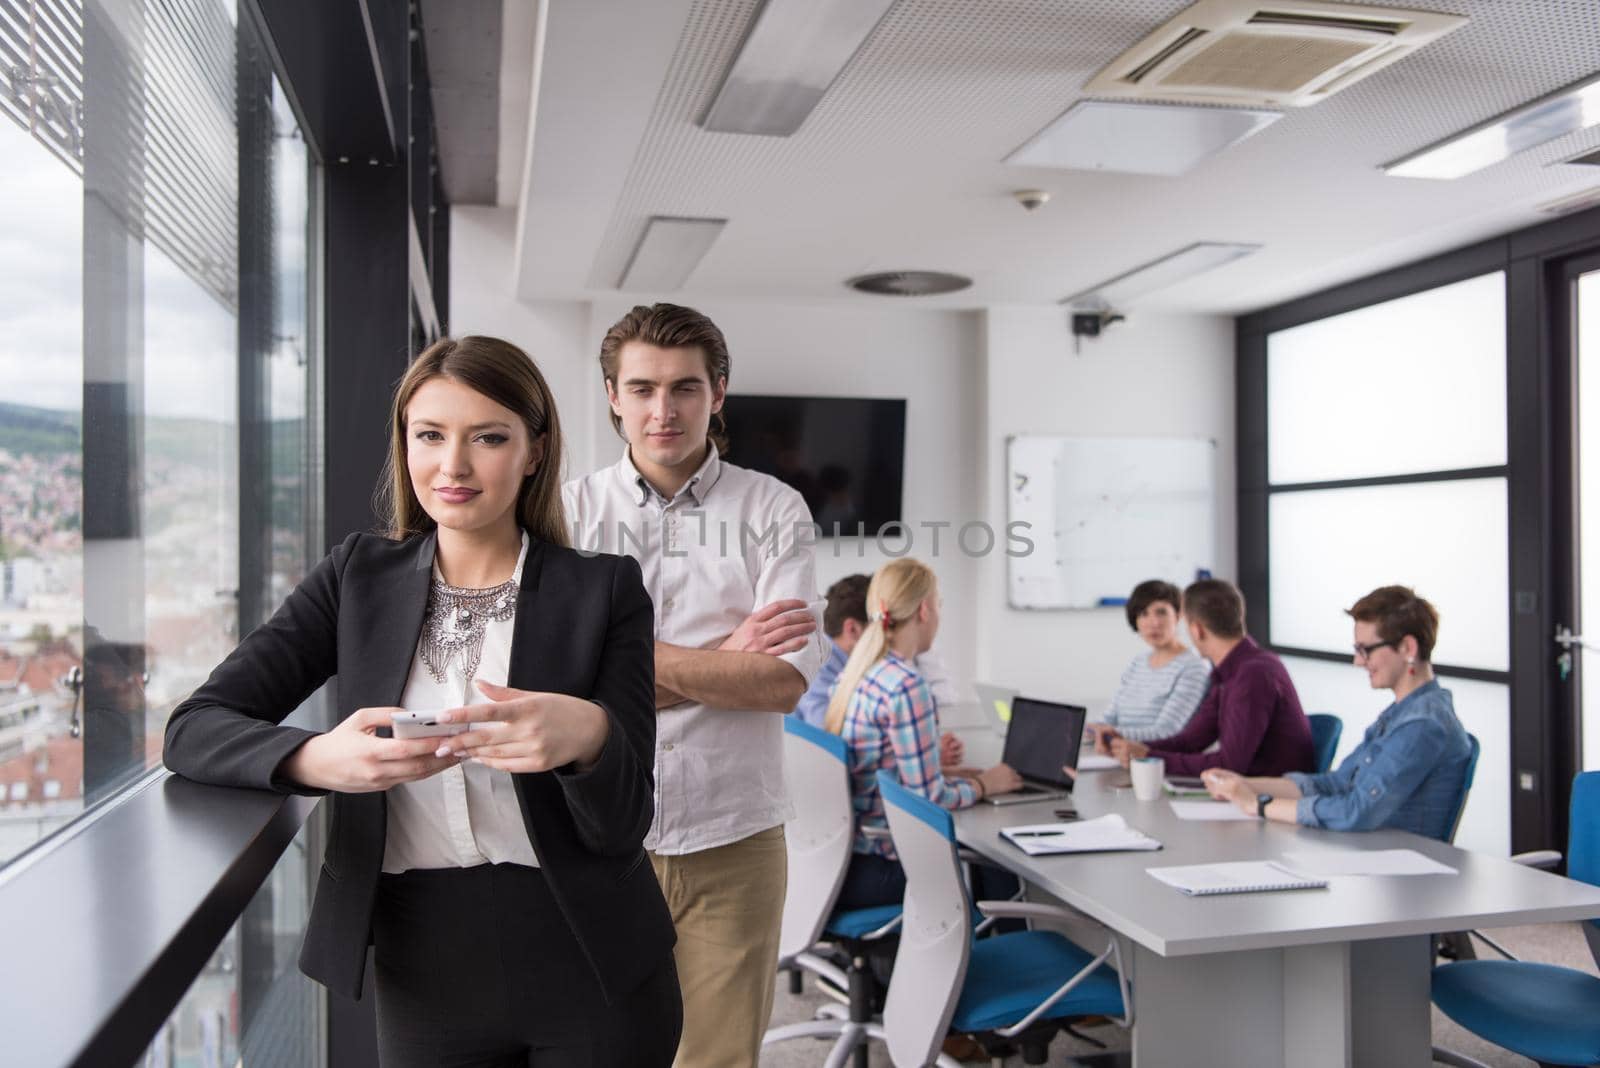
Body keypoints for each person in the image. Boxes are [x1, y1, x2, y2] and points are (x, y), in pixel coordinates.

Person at [163, 336, 681, 1066]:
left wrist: (589, 736)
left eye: (489, 438)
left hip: (592, 952)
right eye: (430, 435)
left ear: (535, 451)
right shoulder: (355, 578)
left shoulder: (604, 589)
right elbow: (192, 728)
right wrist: (318, 758)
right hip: (421, 961)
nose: (453, 466)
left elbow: (628, 817)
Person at [564, 303, 824, 1068]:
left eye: (683, 387)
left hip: (732, 840)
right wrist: (723, 656)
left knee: (717, 1060)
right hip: (593, 837)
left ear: (718, 392)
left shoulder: (774, 509)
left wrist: (622, 668)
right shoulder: (570, 514)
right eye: (641, 388)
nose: (662, 409)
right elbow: (552, 685)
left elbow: (780, 682)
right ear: (613, 395)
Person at [825, 558, 1022, 910]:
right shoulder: (906, 685)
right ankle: (994, 958)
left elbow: (881, 769)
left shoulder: (860, 673)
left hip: (841, 864)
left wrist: (944, 771)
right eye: (940, 605)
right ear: (926, 610)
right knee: (998, 862)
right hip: (883, 865)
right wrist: (984, 785)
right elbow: (929, 801)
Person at [1201, 586, 1473, 837]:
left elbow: (1356, 811)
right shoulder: (1400, 715)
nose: (1358, 662)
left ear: (1407, 648)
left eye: (1365, 650)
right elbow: (1336, 784)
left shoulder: (1424, 725)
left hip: (1397, 871)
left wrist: (1259, 805)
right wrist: (1245, 785)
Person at [1107, 578, 1313, 777]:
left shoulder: (1253, 674)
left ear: (1197, 630)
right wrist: (1139, 749)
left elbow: (1230, 765)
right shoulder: (1229, 672)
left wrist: (1152, 757)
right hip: (1247, 788)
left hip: (1270, 796)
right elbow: (1191, 741)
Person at [795, 574, 964, 769]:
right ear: (852, 629)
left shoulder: (857, 667)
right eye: (881, 623)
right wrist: (922, 751)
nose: (889, 631)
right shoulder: (820, 666)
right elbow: (834, 740)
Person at [1086, 579, 1210, 752]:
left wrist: (1110, 733)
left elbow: (1166, 732)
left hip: (1157, 762)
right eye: (1144, 614)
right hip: (1121, 754)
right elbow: (1110, 717)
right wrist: (1089, 729)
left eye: (1161, 612)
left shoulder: (1194, 667)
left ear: (1178, 615)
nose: (1154, 623)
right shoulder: (1138, 663)